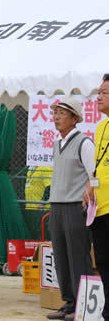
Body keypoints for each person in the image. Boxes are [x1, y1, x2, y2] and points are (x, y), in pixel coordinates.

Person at [45, 96, 95, 320]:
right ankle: (69, 302)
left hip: (76, 206)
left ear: (75, 118)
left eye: (61, 113)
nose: (56, 117)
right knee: (61, 256)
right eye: (55, 113)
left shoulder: (84, 143)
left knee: (78, 256)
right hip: (56, 205)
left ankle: (82, 304)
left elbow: (95, 174)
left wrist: (88, 193)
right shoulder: (57, 144)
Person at [84, 74, 109, 321]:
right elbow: (98, 165)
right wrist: (90, 186)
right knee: (101, 260)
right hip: (99, 207)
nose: (98, 96)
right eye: (98, 92)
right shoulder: (102, 126)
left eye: (104, 92)